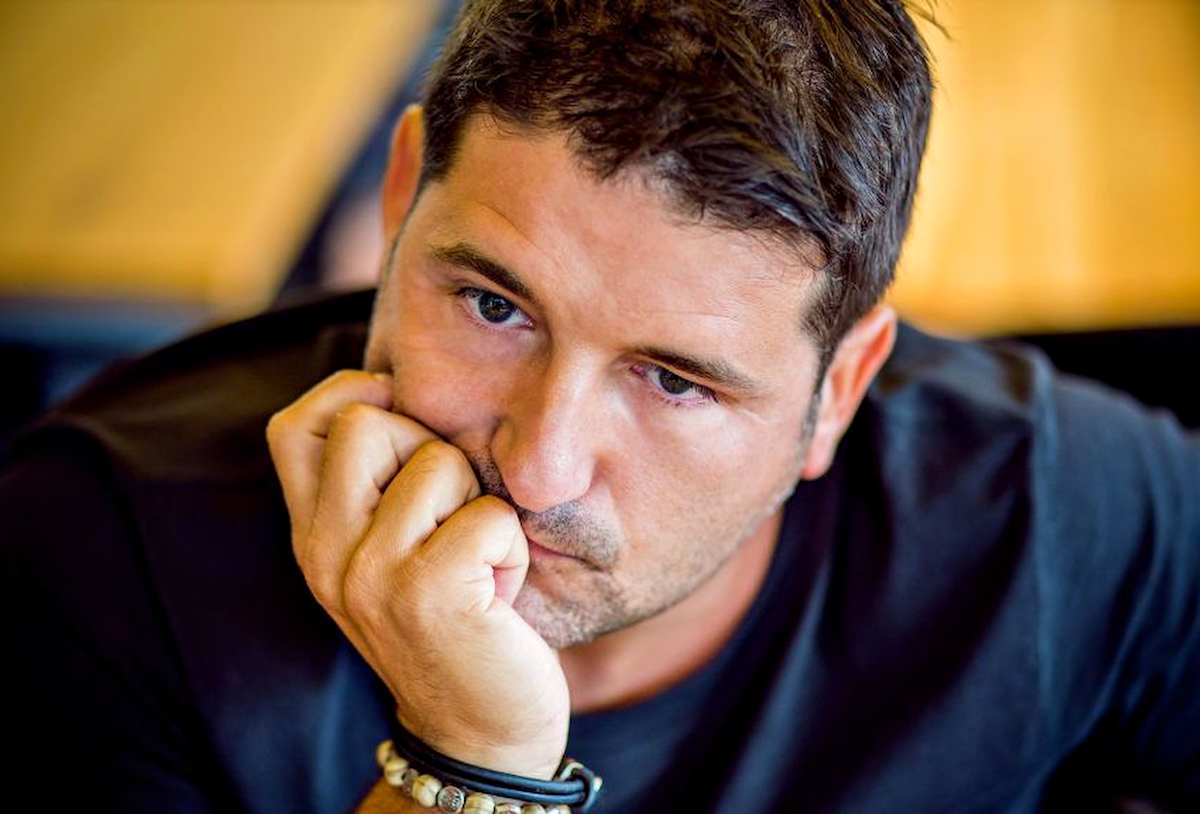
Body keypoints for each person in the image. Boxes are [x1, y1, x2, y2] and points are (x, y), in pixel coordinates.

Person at [4, 1, 1198, 812]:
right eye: (493, 305)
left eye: (675, 380)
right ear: (405, 195)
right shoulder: (98, 554)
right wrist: (468, 765)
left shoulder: (1064, 517)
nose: (540, 467)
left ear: (840, 389)